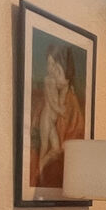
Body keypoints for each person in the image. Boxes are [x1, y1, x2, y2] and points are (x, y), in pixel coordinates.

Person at [31, 43, 84, 187]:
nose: (51, 68)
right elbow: (51, 102)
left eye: (54, 65)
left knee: (55, 149)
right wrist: (60, 110)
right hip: (47, 119)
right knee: (44, 147)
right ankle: (39, 173)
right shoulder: (48, 81)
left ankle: (41, 171)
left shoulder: (69, 95)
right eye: (49, 64)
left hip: (53, 121)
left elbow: (64, 83)